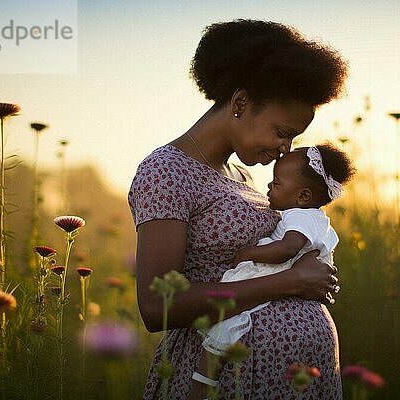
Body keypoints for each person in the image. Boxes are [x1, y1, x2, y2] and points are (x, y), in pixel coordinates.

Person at [128, 19, 348, 399]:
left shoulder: (242, 176)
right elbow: (157, 307)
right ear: (241, 103)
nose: (286, 148)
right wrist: (291, 281)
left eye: (293, 137)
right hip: (228, 377)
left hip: (295, 375)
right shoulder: (167, 172)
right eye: (281, 132)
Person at [188, 143, 355, 399]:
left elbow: (286, 249)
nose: (268, 187)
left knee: (226, 325)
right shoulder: (312, 218)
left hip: (271, 276)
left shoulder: (301, 216)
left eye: (276, 183)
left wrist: (248, 253)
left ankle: (201, 384)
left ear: (303, 196)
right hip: (295, 309)